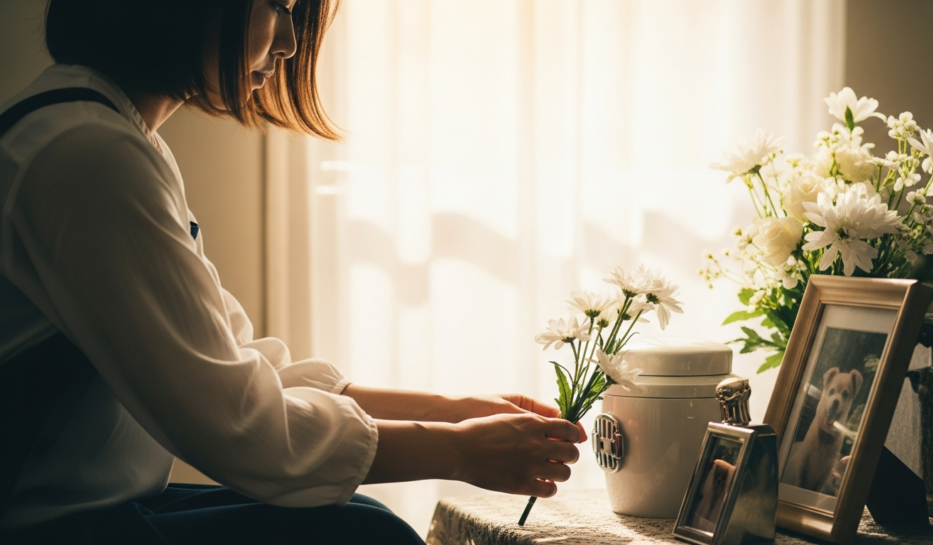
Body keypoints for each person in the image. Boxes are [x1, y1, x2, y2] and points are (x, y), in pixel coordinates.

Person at [0, 1, 584, 543]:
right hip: (47, 525)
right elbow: (237, 426)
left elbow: (238, 362)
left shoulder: (108, 134)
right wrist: (459, 452)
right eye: (277, 5)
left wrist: (451, 410)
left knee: (360, 523)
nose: (287, 44)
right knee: (363, 536)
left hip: (96, 507)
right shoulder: (86, 152)